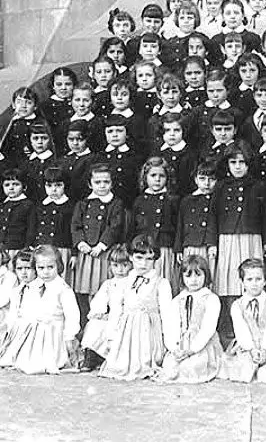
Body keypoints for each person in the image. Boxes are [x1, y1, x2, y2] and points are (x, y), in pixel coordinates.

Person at [0, 244, 80, 374]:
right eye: (40, 268)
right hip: (36, 330)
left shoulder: (63, 289)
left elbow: (72, 314)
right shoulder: (35, 286)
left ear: (59, 266)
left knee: (41, 363)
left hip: (54, 330)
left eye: (50, 267)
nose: (45, 272)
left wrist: (70, 335)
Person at [97, 234, 172, 380]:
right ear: (131, 257)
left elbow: (167, 315)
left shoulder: (161, 283)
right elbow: (116, 311)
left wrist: (168, 343)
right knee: (118, 365)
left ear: (156, 260)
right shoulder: (124, 282)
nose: (143, 264)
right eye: (139, 258)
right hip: (127, 333)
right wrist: (111, 337)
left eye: (149, 259)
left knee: (147, 363)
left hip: (149, 331)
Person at [156, 254, 223, 383]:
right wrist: (174, 349)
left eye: (198, 275)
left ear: (206, 276)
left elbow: (208, 328)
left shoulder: (211, 299)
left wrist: (192, 350)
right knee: (171, 367)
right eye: (188, 276)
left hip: (202, 345)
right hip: (181, 344)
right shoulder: (177, 300)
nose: (193, 280)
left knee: (193, 367)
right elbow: (171, 326)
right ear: (182, 278)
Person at [212, 146, 266, 297]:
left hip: (251, 237)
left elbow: (264, 217)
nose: (237, 166)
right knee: (229, 280)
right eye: (233, 162)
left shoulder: (257, 186)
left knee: (252, 276)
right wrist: (212, 243)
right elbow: (213, 215)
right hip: (227, 237)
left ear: (248, 164)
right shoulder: (221, 186)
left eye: (242, 162)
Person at [70, 164, 125, 308]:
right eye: (97, 182)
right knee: (85, 288)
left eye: (106, 182)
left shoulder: (116, 203)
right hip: (86, 252)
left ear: (112, 183)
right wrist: (81, 243)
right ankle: (86, 320)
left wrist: (101, 245)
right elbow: (76, 226)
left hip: (103, 252)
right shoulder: (83, 204)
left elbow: (114, 226)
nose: (102, 186)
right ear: (90, 184)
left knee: (101, 287)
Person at [77, 243, 131, 372]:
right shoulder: (109, 284)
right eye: (115, 266)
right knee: (95, 325)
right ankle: (92, 355)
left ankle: (109, 357)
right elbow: (99, 302)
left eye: (125, 265)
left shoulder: (132, 282)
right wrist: (100, 313)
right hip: (111, 317)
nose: (120, 270)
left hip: (126, 317)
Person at [131, 157, 180, 289]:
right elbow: (133, 228)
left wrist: (176, 248)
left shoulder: (172, 200)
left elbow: (178, 226)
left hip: (164, 247)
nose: (157, 179)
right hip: (144, 250)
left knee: (164, 282)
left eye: (162, 176)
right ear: (145, 177)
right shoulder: (140, 201)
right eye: (153, 175)